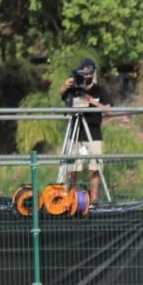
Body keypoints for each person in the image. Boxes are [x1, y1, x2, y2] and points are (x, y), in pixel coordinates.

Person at [59, 58, 112, 205]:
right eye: (84, 71)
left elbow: (109, 111)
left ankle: (94, 201)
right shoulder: (74, 88)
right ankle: (71, 200)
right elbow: (62, 93)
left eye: (90, 71)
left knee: (95, 167)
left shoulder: (99, 90)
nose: (87, 75)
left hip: (93, 134)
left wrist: (92, 101)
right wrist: (66, 85)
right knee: (73, 167)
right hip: (76, 133)